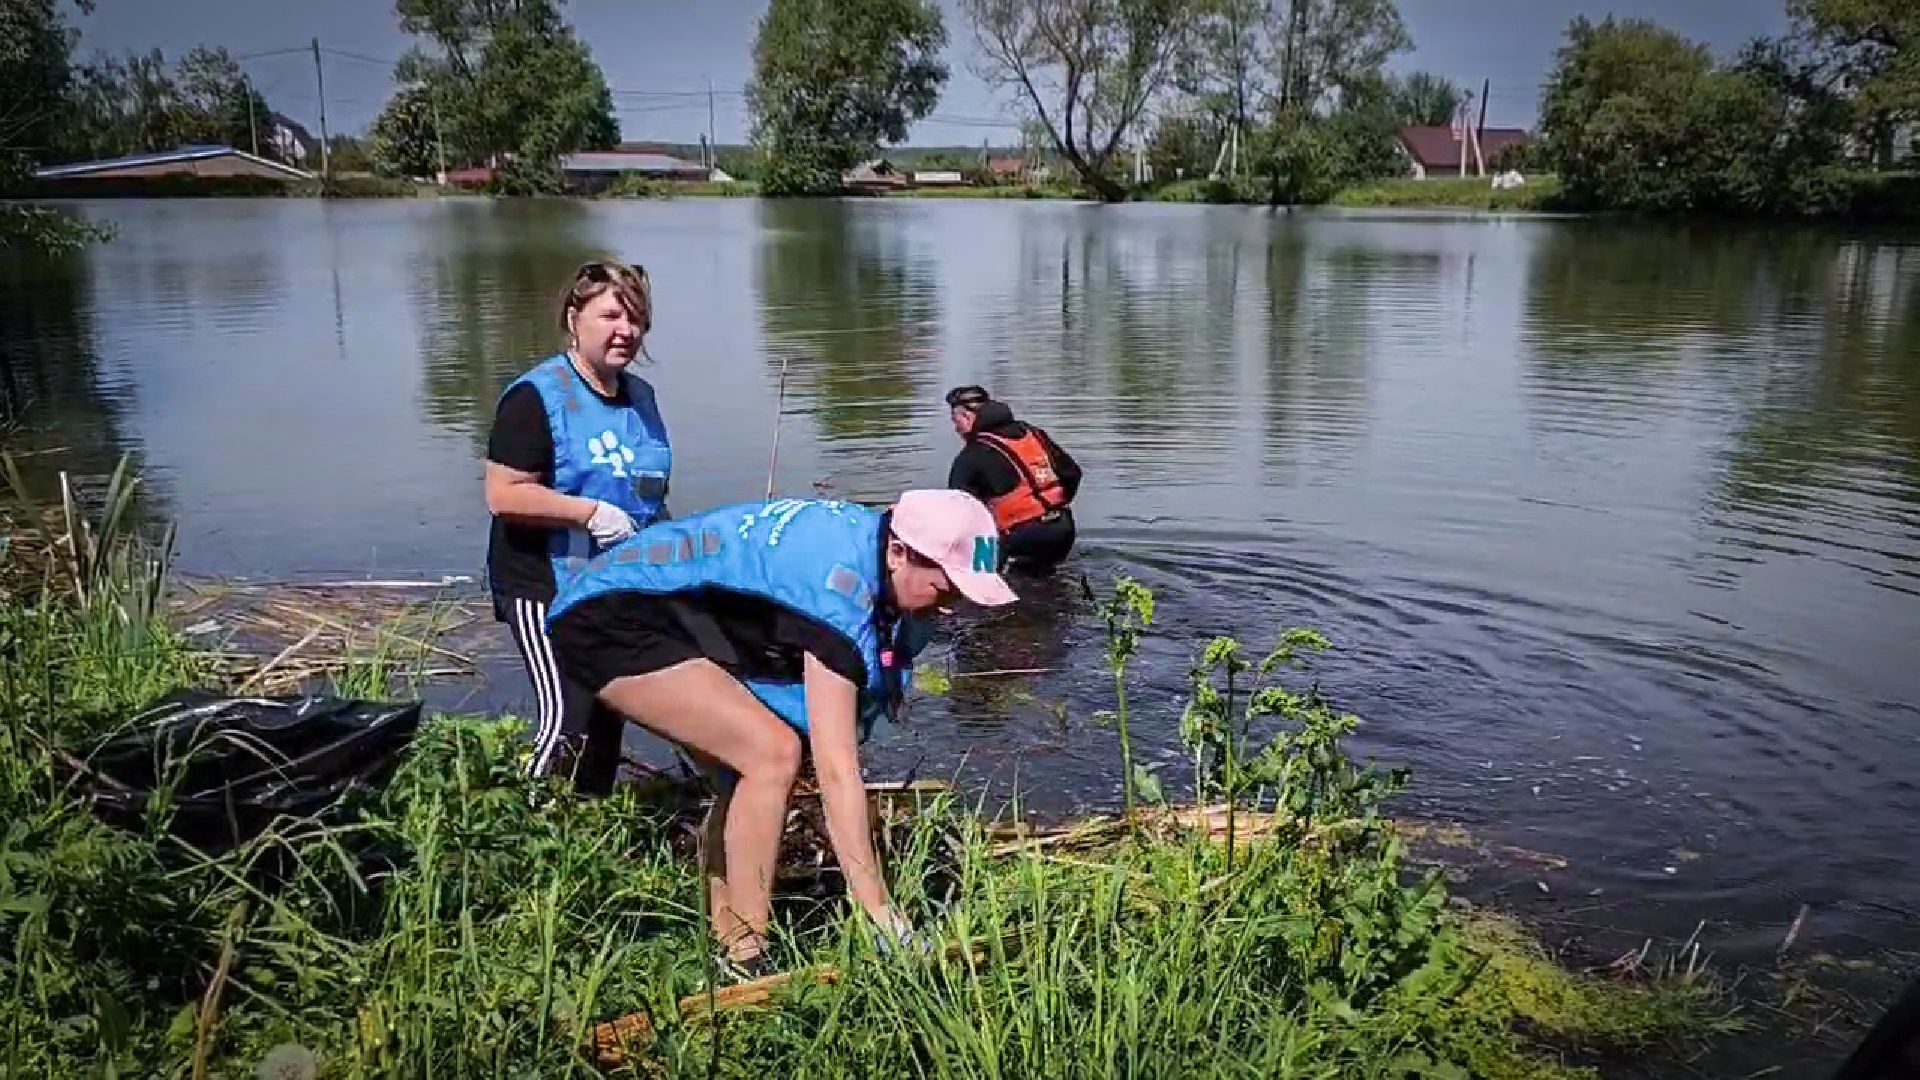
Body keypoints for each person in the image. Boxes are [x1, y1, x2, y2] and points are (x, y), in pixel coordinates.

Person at [545, 490, 1015, 975]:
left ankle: (725, 939)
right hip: (606, 619)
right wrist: (879, 913)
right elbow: (838, 771)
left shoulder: (874, 545)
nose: (951, 608)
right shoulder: (837, 596)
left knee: (740, 772)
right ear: (900, 552)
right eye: (945, 589)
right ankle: (749, 957)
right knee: (770, 755)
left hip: (650, 608)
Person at [484, 259, 670, 794]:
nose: (626, 331)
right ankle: (521, 829)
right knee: (568, 716)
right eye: (611, 315)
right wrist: (590, 513)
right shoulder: (534, 397)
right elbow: (503, 494)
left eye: (636, 319)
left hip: (612, 582)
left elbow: (650, 495)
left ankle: (586, 832)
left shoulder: (641, 398)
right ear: (574, 318)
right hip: (542, 581)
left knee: (610, 714)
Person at [944, 385, 1082, 571]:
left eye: (955, 421)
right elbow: (1072, 473)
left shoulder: (972, 455)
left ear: (967, 418)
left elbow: (961, 515)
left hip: (1021, 538)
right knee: (1045, 579)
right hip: (1063, 528)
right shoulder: (1033, 433)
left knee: (979, 576)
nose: (955, 428)